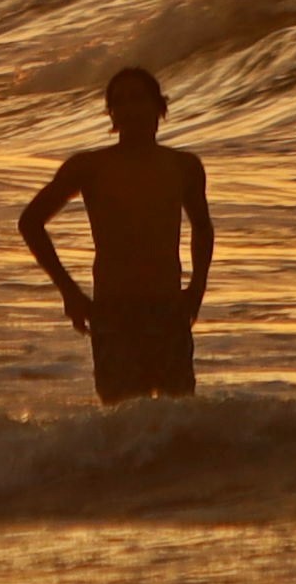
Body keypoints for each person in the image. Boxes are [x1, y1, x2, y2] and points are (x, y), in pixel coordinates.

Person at [19, 65, 213, 402]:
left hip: (168, 309)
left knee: (179, 421)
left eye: (138, 99)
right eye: (119, 102)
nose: (129, 109)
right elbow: (31, 222)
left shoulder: (184, 166)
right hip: (113, 310)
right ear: (111, 114)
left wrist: (196, 288)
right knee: (121, 420)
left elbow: (202, 226)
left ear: (159, 106)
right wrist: (70, 292)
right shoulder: (89, 167)